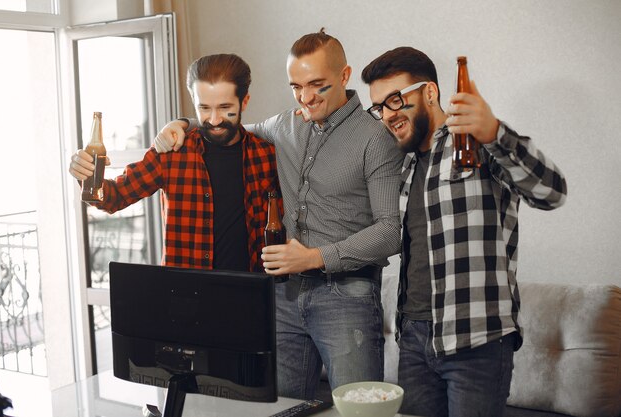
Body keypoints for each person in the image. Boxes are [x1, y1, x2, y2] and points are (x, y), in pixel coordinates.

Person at [154, 30, 404, 399]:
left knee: (357, 409)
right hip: (282, 297)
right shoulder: (284, 125)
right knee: (280, 409)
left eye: (317, 85)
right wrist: (180, 124)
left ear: (345, 75)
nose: (305, 97)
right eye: (296, 86)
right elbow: (227, 127)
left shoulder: (375, 137)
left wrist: (316, 256)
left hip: (346, 298)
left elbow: (390, 232)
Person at [361, 47, 567, 417]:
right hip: (413, 341)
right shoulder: (403, 165)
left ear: (429, 92)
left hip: (477, 342)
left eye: (396, 100)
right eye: (380, 107)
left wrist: (494, 132)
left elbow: (552, 193)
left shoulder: (476, 143)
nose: (388, 115)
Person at [69, 54, 280, 272]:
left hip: (251, 294)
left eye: (225, 107)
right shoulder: (171, 152)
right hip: (185, 295)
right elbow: (113, 198)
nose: (214, 119)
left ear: (244, 101)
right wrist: (84, 174)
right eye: (204, 108)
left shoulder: (266, 155)